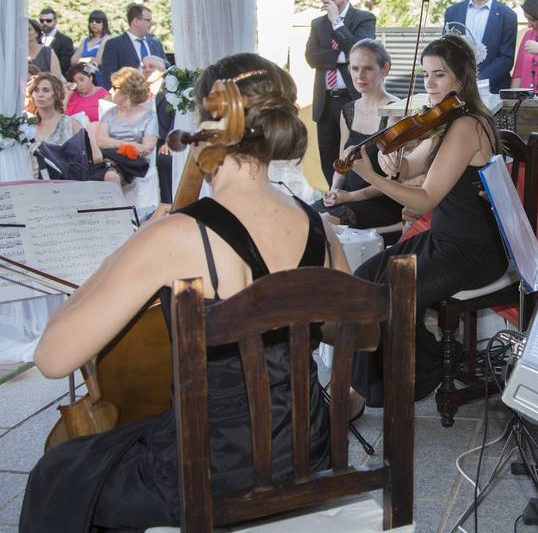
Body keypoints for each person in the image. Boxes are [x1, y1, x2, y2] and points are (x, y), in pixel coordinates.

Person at [21, 53, 353, 532]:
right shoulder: (318, 225)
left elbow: (52, 360)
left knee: (61, 470)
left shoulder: (176, 236)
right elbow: (356, 336)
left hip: (215, 473)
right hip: (308, 448)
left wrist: (128, 250)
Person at [349, 33, 507, 407]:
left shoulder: (467, 125)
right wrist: (394, 164)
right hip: (444, 239)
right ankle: (409, 367)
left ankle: (407, 375)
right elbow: (411, 170)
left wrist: (370, 176)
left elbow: (425, 198)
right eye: (426, 75)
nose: (430, 84)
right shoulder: (444, 120)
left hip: (472, 250)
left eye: (440, 75)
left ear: (461, 77)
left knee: (393, 294)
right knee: (362, 282)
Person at [313, 39, 403, 229]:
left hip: (382, 202)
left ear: (385, 69)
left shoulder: (395, 111)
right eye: (354, 68)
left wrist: (350, 197)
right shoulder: (348, 111)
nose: (360, 75)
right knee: (305, 216)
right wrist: (335, 190)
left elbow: (396, 178)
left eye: (368, 68)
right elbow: (342, 164)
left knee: (324, 223)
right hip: (347, 198)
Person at [305, 0, 377, 185]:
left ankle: (354, 198)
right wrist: (343, 57)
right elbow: (311, 57)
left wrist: (337, 22)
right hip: (325, 101)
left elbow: (361, 52)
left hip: (351, 98)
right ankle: (333, 195)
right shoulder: (318, 24)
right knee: (328, 155)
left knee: (354, 153)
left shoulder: (363, 18)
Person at [443, 0, 518, 95]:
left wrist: (477, 81)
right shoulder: (452, 12)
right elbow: (445, 50)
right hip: (457, 89)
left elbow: (506, 58)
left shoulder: (508, 16)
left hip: (492, 89)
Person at [97, 67, 159, 184]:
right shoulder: (109, 113)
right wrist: (129, 144)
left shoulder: (149, 116)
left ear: (128, 92)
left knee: (110, 175)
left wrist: (118, 146)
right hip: (107, 157)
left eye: (114, 88)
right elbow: (100, 140)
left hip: (129, 161)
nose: (110, 91)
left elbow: (147, 147)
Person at [99, 3, 166, 90]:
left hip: (157, 98)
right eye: (148, 20)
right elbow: (109, 78)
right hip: (129, 99)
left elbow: (165, 69)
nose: (151, 23)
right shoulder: (114, 45)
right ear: (136, 21)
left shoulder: (155, 44)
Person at [143, 54, 175, 204]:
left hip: (163, 139)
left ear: (162, 70)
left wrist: (170, 142)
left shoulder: (171, 92)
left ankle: (167, 203)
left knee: (164, 159)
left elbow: (177, 119)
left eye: (151, 66)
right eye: (144, 67)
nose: (147, 70)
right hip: (144, 139)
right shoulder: (140, 92)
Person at [70, 9, 112, 86]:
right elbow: (73, 61)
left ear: (104, 24)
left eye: (98, 21)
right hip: (82, 79)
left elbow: (97, 61)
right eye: (91, 21)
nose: (94, 23)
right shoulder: (86, 40)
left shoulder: (107, 39)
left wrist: (80, 61)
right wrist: (90, 59)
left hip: (100, 79)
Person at [38, 7, 75, 73]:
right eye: (42, 21)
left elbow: (65, 65)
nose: (45, 23)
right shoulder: (35, 38)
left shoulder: (65, 40)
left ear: (55, 21)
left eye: (48, 20)